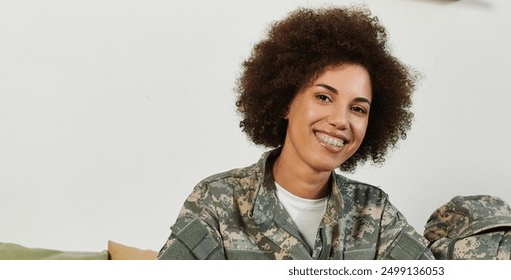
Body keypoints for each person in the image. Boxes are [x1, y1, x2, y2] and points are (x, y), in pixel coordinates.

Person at [157, 6, 433, 260]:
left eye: (358, 109)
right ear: (286, 102)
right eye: (324, 97)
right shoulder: (217, 204)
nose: (340, 120)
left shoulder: (374, 212)